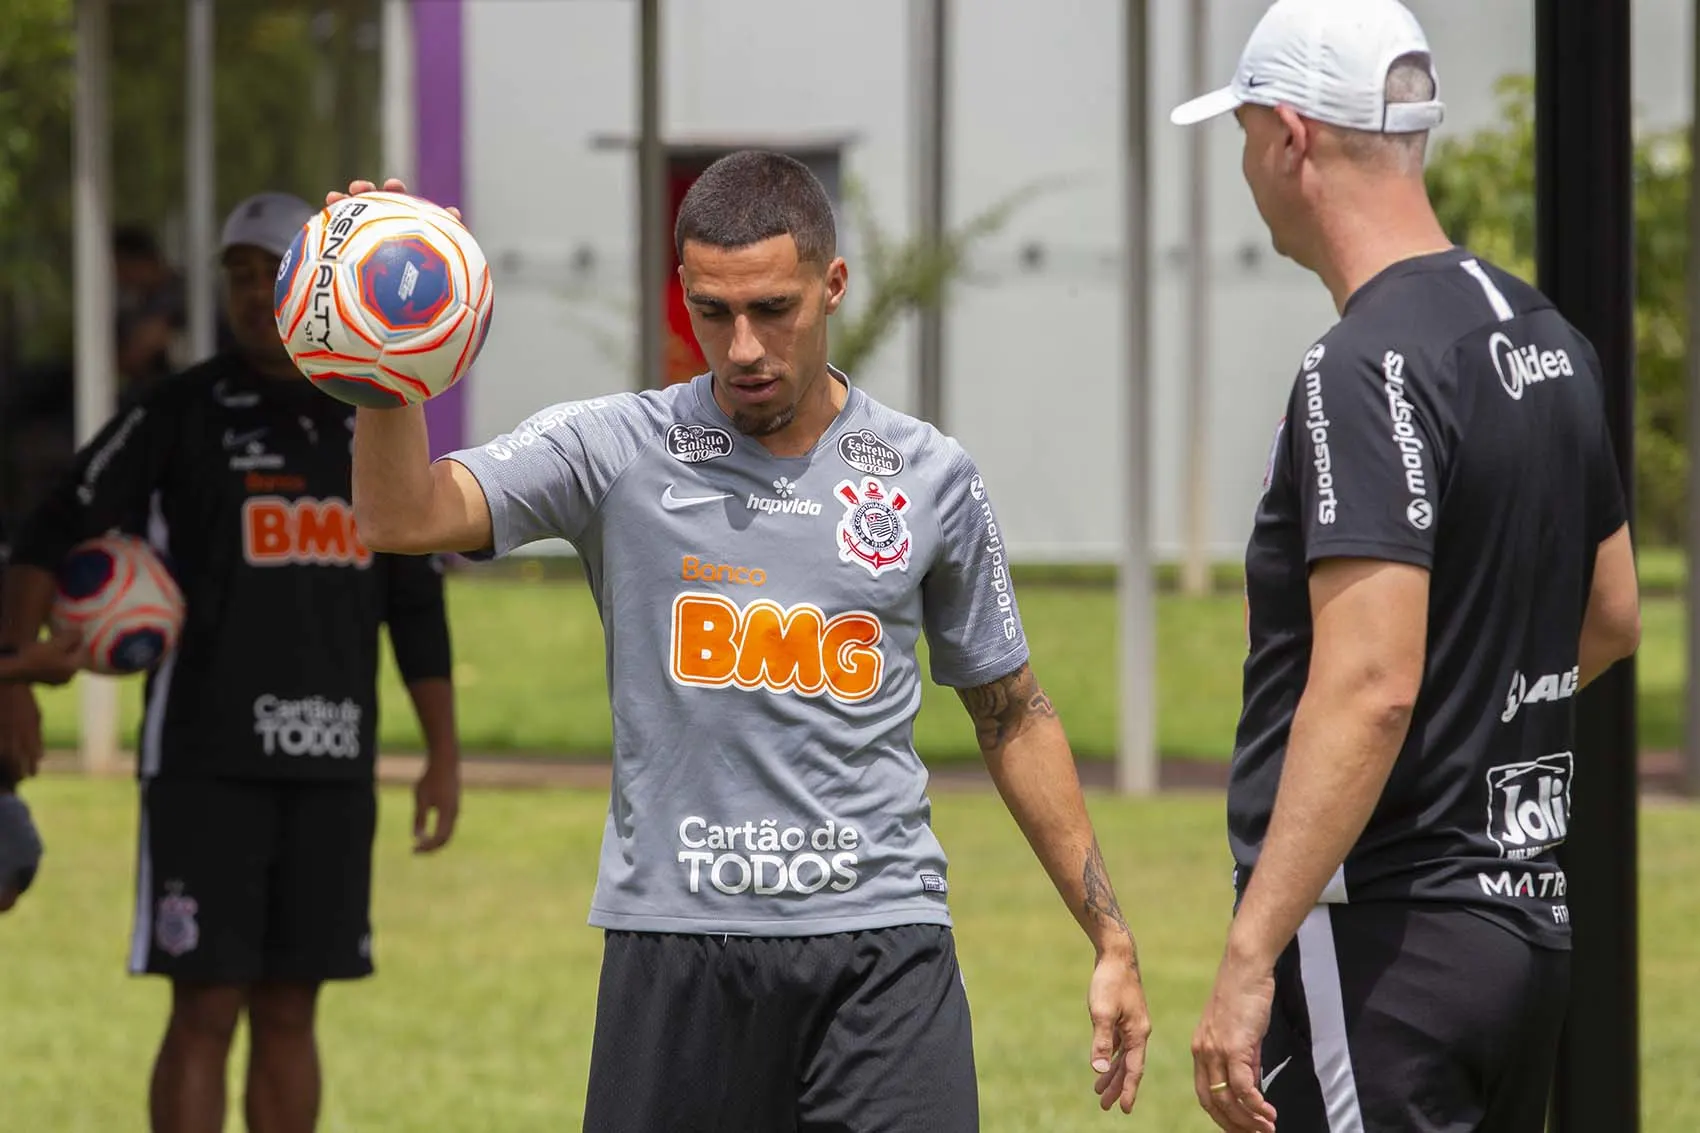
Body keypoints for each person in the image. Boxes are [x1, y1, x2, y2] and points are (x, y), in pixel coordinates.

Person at [331, 150, 1152, 1130]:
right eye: (712, 312)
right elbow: (400, 515)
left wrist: (1107, 933)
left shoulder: (927, 476)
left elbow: (1012, 712)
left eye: (774, 308)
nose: (742, 345)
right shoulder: (612, 451)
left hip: (879, 944)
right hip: (677, 947)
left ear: (831, 284)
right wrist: (381, 338)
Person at [1168, 2, 1644, 1131]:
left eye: (1241, 135)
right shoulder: (1540, 333)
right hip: (1520, 924)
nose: (1241, 166)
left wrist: (1248, 954)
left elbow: (1370, 682)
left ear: (1290, 138)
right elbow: (1613, 612)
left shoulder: (1360, 363)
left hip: (1382, 936)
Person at [0, 190, 463, 1133]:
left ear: (315, 282)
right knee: (206, 1005)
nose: (256, 294)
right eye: (240, 276)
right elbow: (49, 531)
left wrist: (443, 751)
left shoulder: (370, 415)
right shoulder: (183, 408)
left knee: (294, 1005)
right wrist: (12, 680)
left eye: (274, 273)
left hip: (333, 765)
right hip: (205, 765)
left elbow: (413, 598)